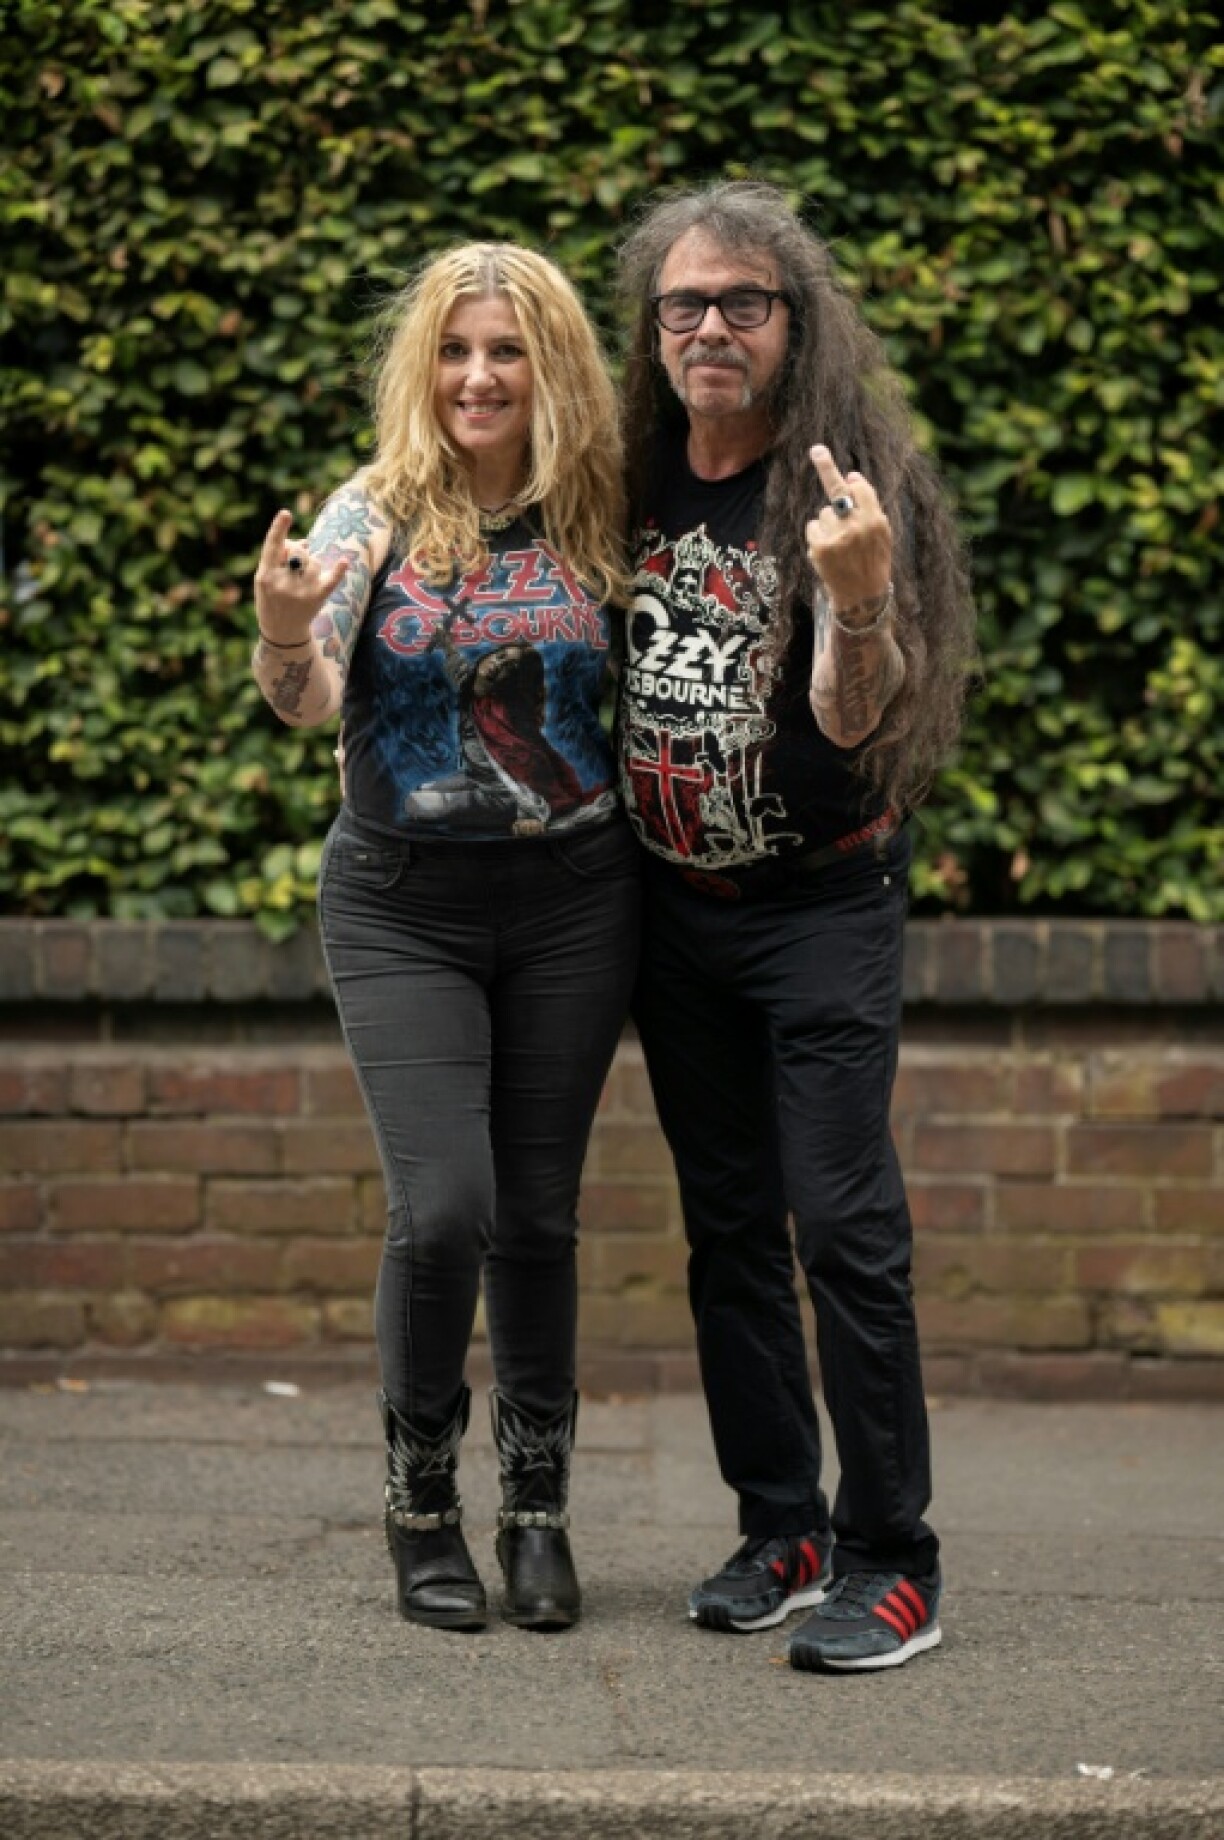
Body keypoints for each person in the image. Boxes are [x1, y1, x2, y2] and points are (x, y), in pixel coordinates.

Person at [251, 243, 640, 1634]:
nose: (481, 376)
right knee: (446, 1210)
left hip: (575, 904)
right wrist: (285, 635)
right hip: (402, 902)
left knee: (537, 1214)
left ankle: (534, 1508)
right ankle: (423, 1505)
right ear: (426, 368)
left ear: (553, 369)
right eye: (458, 351)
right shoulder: (376, 510)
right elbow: (308, 690)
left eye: (510, 350)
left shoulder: (601, 509)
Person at [616, 182, 976, 1672]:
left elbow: (849, 726)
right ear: (653, 325)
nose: (711, 327)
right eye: (686, 304)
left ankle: (895, 1556)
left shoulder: (847, 484)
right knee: (727, 1232)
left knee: (842, 1225)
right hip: (670, 911)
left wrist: (862, 604)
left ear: (793, 322)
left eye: (743, 303)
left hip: (822, 902)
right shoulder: (626, 473)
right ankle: (785, 1524)